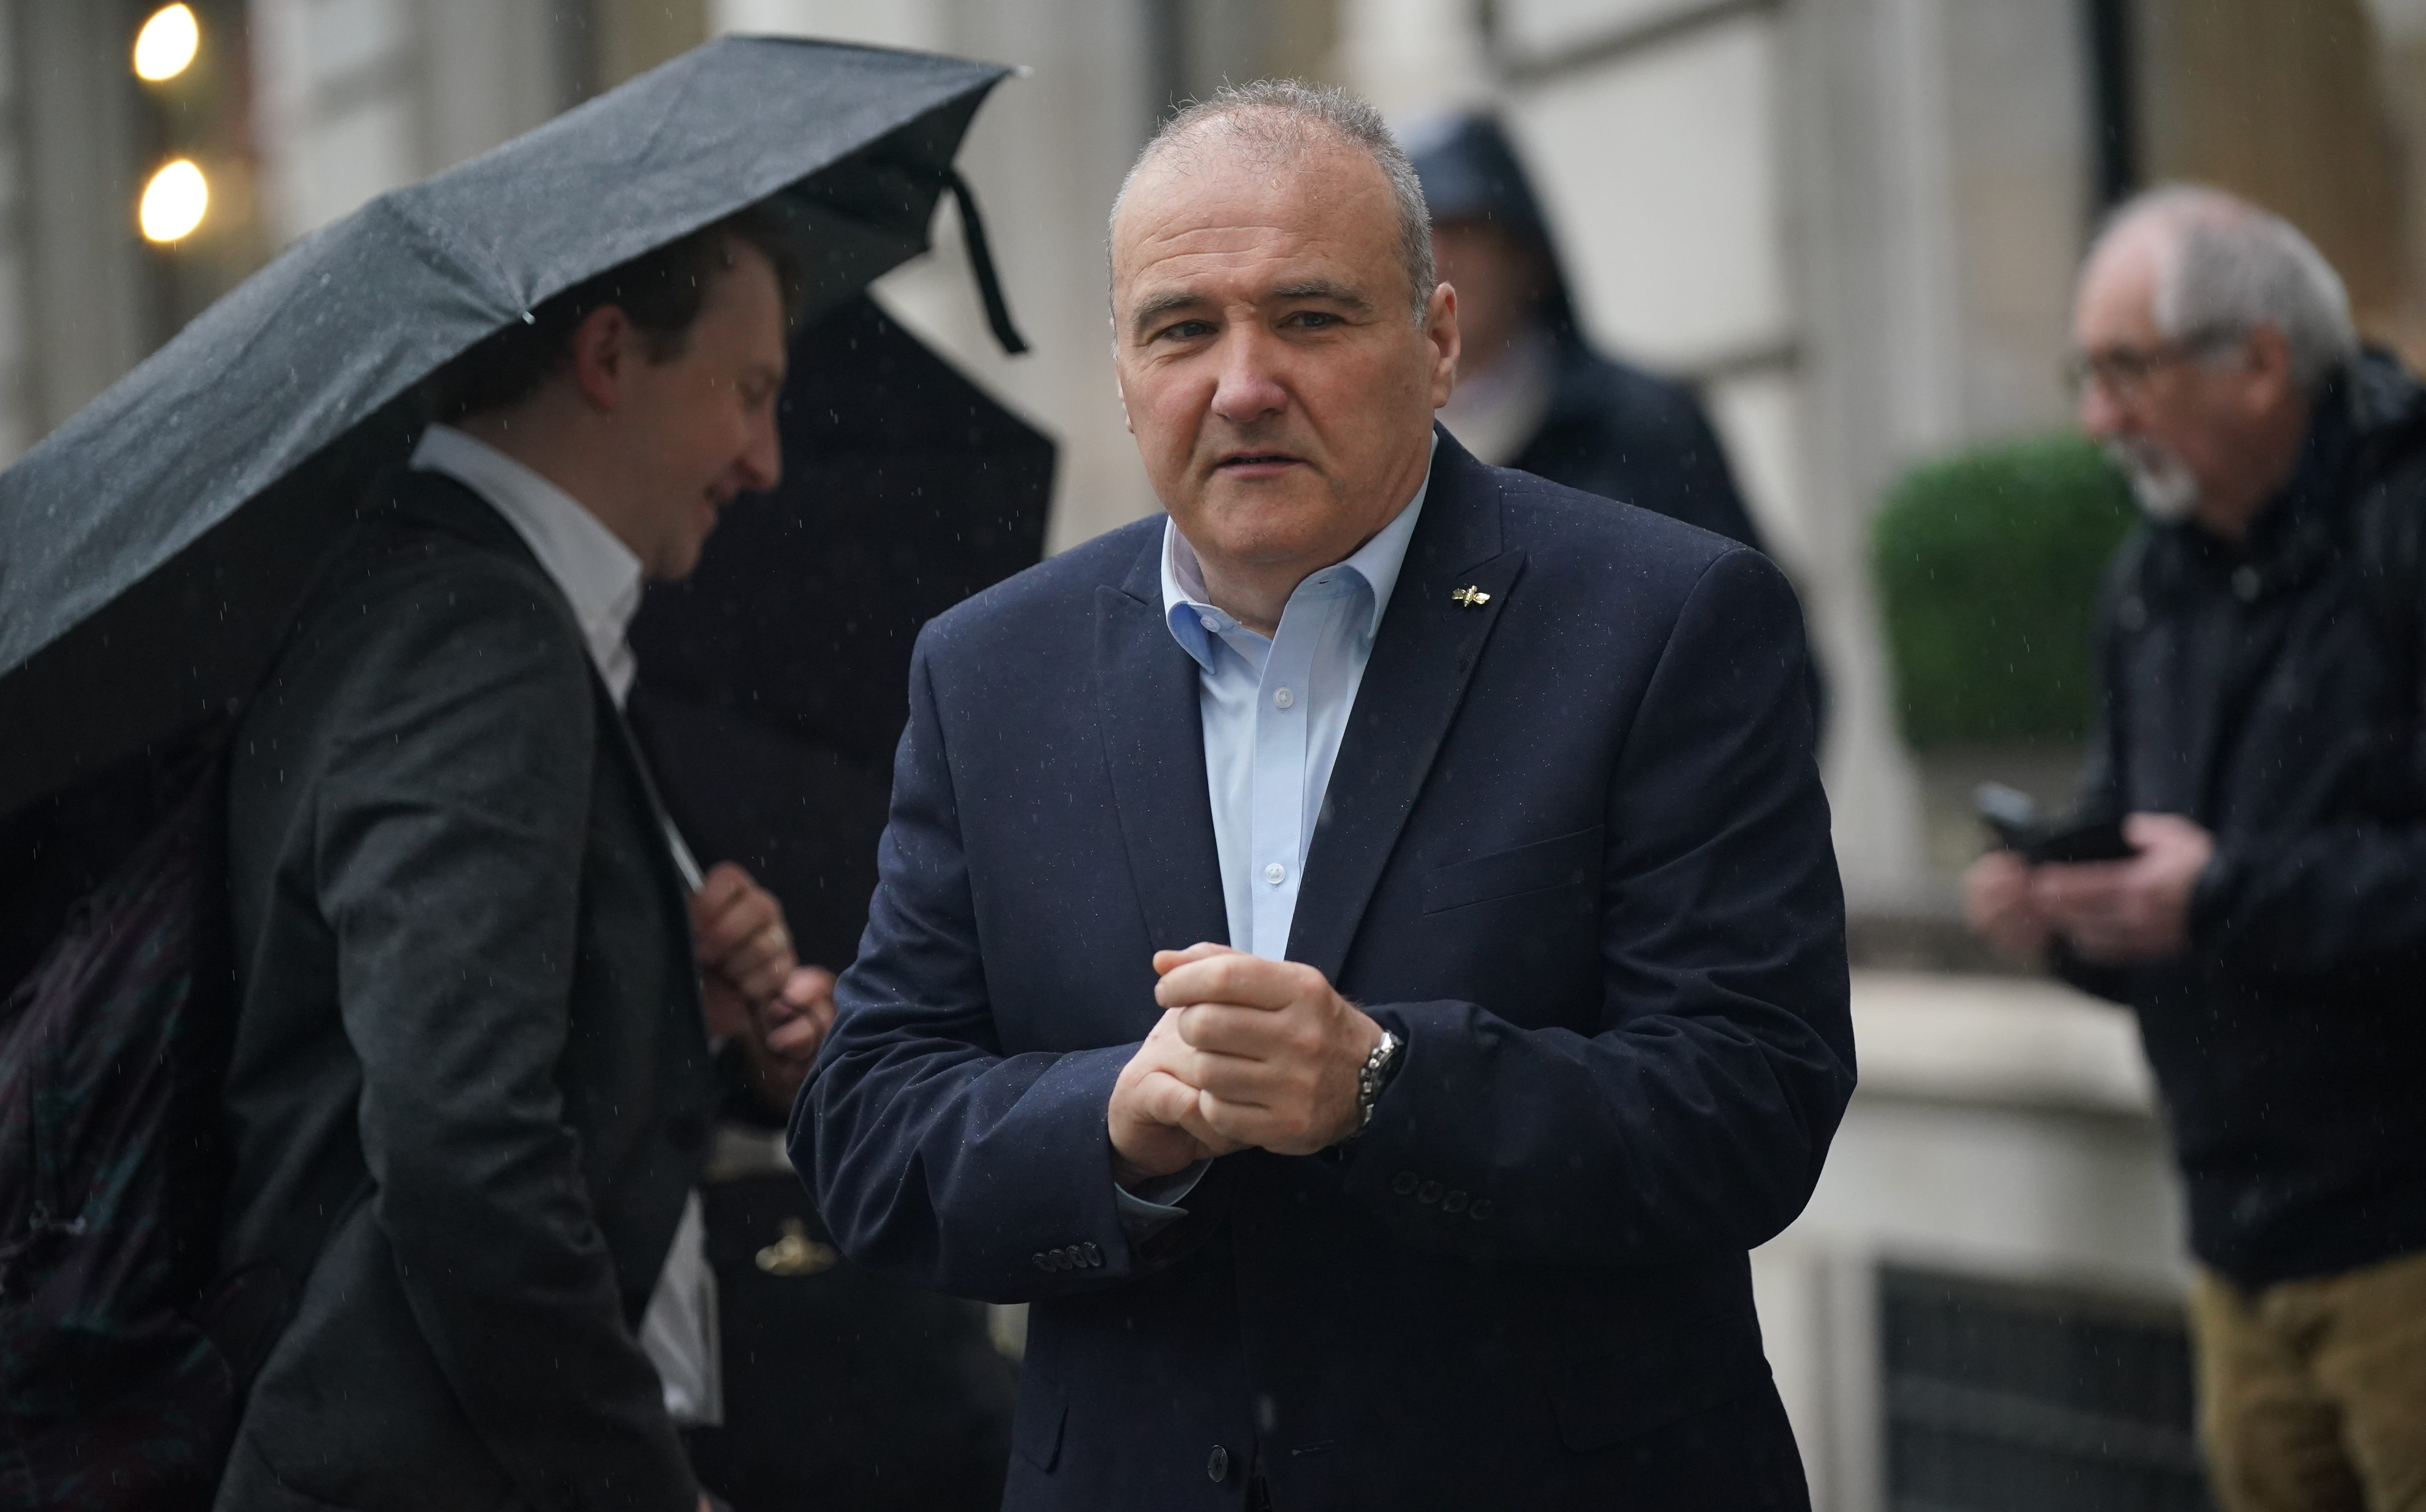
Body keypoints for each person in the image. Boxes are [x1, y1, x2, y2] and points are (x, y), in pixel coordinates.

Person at [795, 80, 1853, 1508]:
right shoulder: (989, 674)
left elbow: (1753, 1103)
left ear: (1436, 342)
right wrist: (1109, 1120)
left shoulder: (1662, 620)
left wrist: (1380, 1085)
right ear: (1123, 368)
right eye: (1182, 329)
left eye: (1310, 317)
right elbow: (866, 1127)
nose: (1243, 384)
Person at [215, 207, 836, 1512]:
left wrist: (682, 1010)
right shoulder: (473, 634)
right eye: (750, 392)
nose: (765, 458)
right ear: (607, 354)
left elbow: (429, 1059)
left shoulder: (443, 595)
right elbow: (461, 1151)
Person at [1964, 185, 2426, 1512]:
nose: (2098, 420)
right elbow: (2165, 907)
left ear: (2262, 362)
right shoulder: (2151, 582)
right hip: (2233, 1245)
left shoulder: (2403, 526)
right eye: (2088, 376)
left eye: (2128, 372)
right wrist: (2072, 914)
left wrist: (2221, 897)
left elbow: (2235, 898)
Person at [1405, 111, 1767, 548]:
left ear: (1526, 255)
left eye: (1463, 230)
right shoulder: (1376, 444)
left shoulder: (1645, 426)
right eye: (1417, 239)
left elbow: (1743, 599)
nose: (1439, 261)